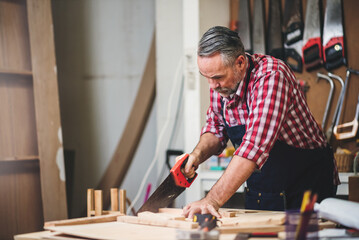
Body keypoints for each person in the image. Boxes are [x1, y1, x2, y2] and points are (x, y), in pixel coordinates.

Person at [179, 26, 339, 219]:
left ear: (240, 63)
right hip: (265, 192)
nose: (212, 86)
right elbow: (215, 129)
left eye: (217, 78)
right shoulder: (221, 85)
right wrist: (197, 155)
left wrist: (211, 200)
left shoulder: (272, 76)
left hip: (305, 189)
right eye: (207, 78)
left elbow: (253, 148)